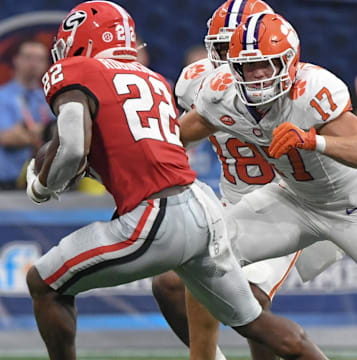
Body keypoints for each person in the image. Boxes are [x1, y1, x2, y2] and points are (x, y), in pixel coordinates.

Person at [25, 2, 329, 360]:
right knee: (253, 320)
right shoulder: (153, 78)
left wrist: (42, 186)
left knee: (44, 283)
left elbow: (74, 146)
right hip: (201, 203)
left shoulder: (76, 70)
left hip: (156, 213)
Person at [179, 10, 357, 359]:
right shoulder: (221, 95)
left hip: (353, 206)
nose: (258, 75)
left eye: (267, 65)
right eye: (249, 66)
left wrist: (314, 141)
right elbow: (179, 136)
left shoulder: (314, 89)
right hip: (294, 200)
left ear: (289, 62)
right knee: (205, 252)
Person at [152, 2, 301, 360]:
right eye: (221, 46)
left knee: (248, 300)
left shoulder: (298, 84)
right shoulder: (196, 82)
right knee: (169, 283)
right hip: (232, 199)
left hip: (287, 203)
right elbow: (176, 142)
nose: (230, 57)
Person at [0, 39, 53, 189]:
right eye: (28, 57)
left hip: (43, 184)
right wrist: (46, 134)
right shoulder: (2, 97)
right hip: (7, 185)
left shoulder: (49, 99)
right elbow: (7, 138)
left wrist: (28, 133)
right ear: (16, 60)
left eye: (39, 59)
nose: (33, 64)